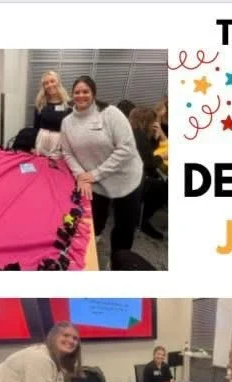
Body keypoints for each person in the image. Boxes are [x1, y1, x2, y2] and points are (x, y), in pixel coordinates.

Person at [60, 75, 144, 255]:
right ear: (72, 95)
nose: (81, 95)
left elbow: (126, 148)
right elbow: (67, 152)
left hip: (125, 178)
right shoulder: (67, 123)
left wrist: (94, 174)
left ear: (94, 94)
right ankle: (95, 240)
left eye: (85, 91)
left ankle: (118, 260)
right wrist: (81, 176)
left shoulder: (111, 113)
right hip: (95, 181)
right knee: (94, 218)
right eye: (77, 92)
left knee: (124, 226)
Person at [128, 106, 168, 240]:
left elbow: (148, 154)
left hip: (126, 175)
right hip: (133, 180)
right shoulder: (140, 138)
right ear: (147, 122)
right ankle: (141, 220)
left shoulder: (133, 133)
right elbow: (149, 163)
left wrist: (158, 136)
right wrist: (162, 157)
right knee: (165, 189)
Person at [33, 70, 71, 157]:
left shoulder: (68, 104)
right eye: (46, 83)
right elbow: (36, 126)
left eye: (52, 81)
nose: (50, 85)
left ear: (58, 82)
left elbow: (70, 129)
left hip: (59, 144)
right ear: (44, 86)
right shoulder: (40, 103)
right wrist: (33, 145)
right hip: (42, 142)